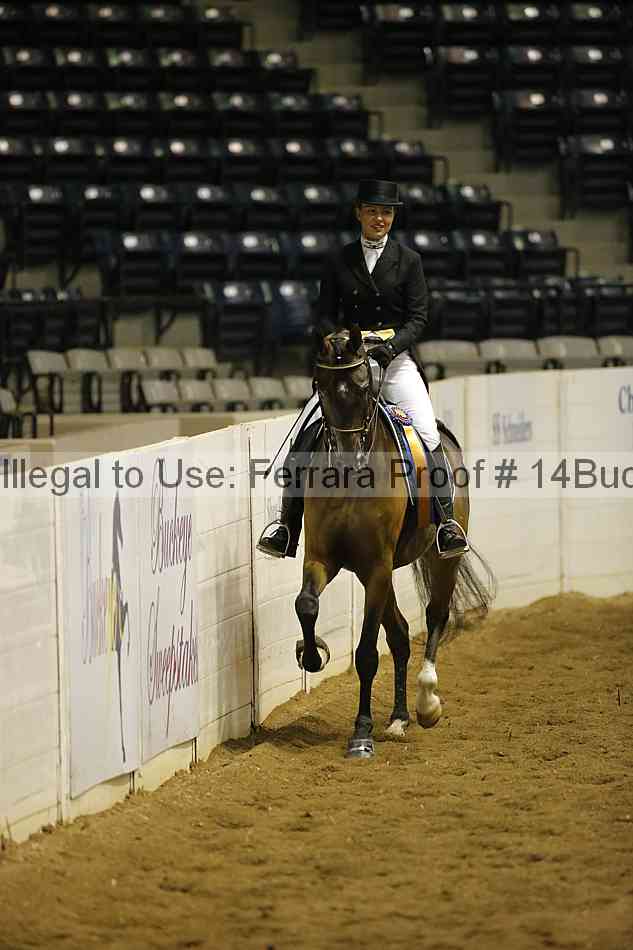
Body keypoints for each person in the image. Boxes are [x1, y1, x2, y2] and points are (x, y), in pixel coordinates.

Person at [257, 178, 469, 560]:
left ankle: (446, 522)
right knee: (304, 431)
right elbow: (323, 314)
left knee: (426, 431)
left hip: (394, 361)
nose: (379, 219)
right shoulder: (339, 260)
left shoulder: (409, 261)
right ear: (359, 213)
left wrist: (391, 348)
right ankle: (286, 526)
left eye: (386, 212)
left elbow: (418, 318)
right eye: (372, 211)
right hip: (348, 363)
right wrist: (335, 339)